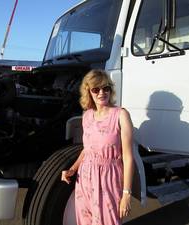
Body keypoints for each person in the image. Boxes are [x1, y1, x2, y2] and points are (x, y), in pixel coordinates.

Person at [61, 69, 134, 225]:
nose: (102, 93)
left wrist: (126, 193)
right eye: (96, 89)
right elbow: (87, 149)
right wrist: (73, 169)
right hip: (85, 179)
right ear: (89, 92)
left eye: (106, 88)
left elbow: (128, 158)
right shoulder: (87, 116)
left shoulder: (121, 115)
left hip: (109, 179)